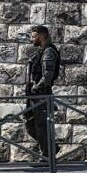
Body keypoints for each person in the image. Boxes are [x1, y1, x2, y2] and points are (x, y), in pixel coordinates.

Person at [25, 25, 60, 161]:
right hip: (36, 94)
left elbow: (47, 76)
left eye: (34, 37)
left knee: (41, 125)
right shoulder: (42, 51)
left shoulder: (49, 52)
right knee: (30, 124)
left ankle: (47, 156)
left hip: (42, 94)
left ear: (41, 36)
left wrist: (36, 88)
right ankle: (51, 148)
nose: (32, 39)